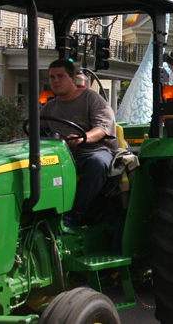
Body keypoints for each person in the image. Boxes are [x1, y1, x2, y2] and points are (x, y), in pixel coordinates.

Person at [41, 59, 118, 227]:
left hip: (93, 151)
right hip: (64, 155)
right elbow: (35, 131)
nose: (55, 80)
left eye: (60, 76)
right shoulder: (49, 107)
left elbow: (102, 128)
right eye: (51, 77)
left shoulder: (90, 98)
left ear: (72, 78)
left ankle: (72, 216)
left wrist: (84, 138)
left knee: (97, 163)